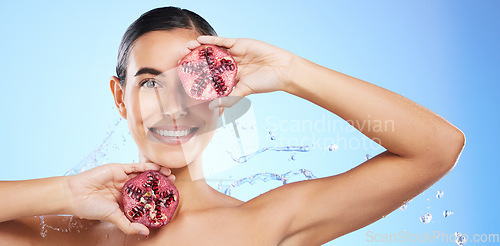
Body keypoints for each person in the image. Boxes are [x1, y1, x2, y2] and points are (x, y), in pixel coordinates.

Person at [0, 6, 465, 245]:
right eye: (149, 84)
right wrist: (64, 194)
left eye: (193, 82)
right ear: (121, 99)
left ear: (222, 97)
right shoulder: (69, 234)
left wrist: (290, 72)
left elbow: (438, 147)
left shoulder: (260, 225)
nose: (173, 108)